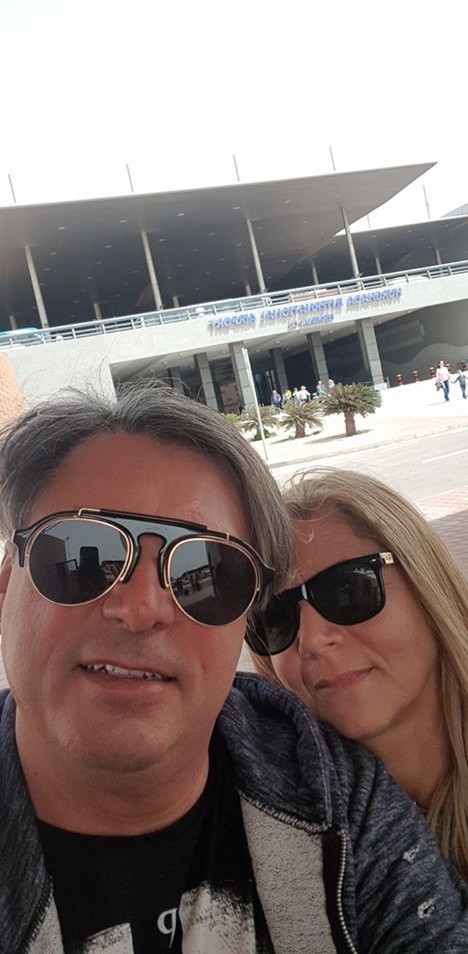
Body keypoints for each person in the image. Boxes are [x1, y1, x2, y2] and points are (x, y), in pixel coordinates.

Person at [1, 389, 468, 954]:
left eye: (208, 572)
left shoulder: (341, 803)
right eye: (82, 555)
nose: (141, 609)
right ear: (5, 584)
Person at [247, 466, 468, 887]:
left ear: (425, 584)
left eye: (347, 590)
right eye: (276, 617)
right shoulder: (290, 844)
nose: (312, 641)